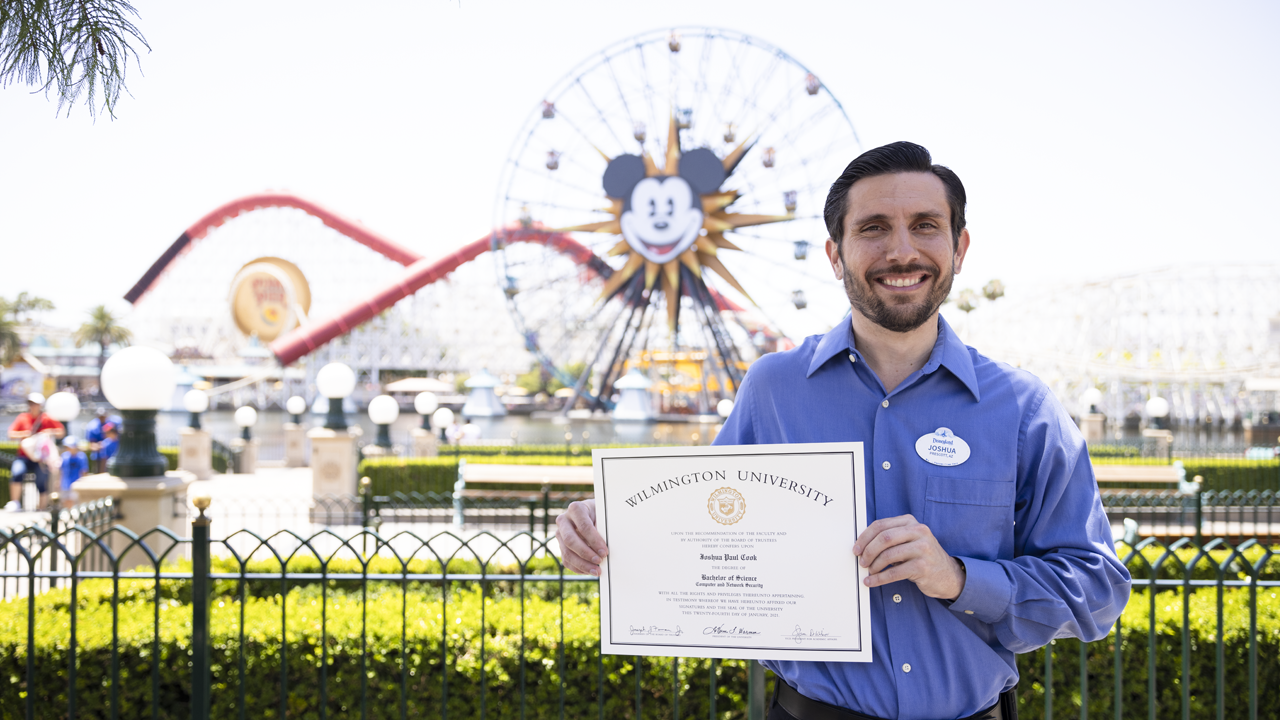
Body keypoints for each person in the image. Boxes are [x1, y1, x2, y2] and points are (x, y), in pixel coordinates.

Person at [556, 142, 1131, 720]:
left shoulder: (1023, 408)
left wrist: (959, 578)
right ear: (836, 255)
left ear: (959, 247)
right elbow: (703, 525)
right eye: (874, 229)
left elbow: (1097, 586)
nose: (901, 251)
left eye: (925, 226)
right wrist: (612, 526)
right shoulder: (773, 389)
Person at [6, 392, 66, 512]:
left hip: (41, 458)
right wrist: (26, 434)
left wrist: (49, 432)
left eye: (35, 404)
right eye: (31, 403)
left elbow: (61, 432)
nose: (33, 406)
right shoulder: (23, 417)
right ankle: (15, 502)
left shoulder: (46, 418)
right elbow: (10, 434)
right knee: (17, 473)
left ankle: (41, 507)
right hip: (24, 456)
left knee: (41, 481)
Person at [84, 406, 123, 473]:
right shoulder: (92, 426)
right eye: (100, 416)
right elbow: (91, 445)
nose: (102, 418)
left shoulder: (115, 421)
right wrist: (100, 446)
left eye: (104, 416)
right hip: (99, 459)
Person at [59, 436, 89, 506]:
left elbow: (84, 471)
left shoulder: (81, 456)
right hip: (66, 484)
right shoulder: (64, 456)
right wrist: (59, 482)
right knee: (66, 500)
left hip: (77, 483)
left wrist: (84, 483)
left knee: (76, 501)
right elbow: (61, 471)